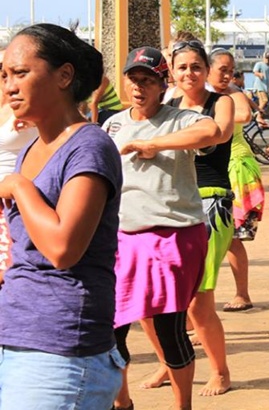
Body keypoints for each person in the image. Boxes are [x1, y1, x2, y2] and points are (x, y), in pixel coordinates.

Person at [0, 24, 124, 408]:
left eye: (21, 73)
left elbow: (62, 248)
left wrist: (18, 186)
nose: (9, 86)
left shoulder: (90, 146)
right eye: (4, 76)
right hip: (18, 335)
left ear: (64, 76)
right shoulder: (33, 148)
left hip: (61, 349)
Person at [105, 46, 219, 410]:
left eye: (147, 80)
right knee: (111, 329)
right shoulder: (113, 124)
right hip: (123, 238)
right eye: (133, 80)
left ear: (162, 84)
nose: (139, 87)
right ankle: (122, 402)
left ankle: (182, 405)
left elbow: (211, 131)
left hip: (173, 235)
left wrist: (153, 144)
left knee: (170, 328)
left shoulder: (181, 118)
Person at [165, 38, 235, 396]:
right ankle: (171, 364)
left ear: (207, 70)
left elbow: (218, 134)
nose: (189, 73)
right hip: (172, 205)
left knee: (198, 300)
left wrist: (156, 142)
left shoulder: (221, 102)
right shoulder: (168, 106)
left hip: (211, 205)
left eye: (196, 66)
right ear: (172, 71)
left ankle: (220, 371)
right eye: (182, 67)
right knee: (164, 300)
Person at [207, 49, 265, 312]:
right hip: (209, 170)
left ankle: (242, 293)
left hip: (236, 167)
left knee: (232, 236)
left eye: (230, 71)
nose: (227, 76)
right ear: (208, 69)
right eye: (223, 70)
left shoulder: (232, 94)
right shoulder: (200, 94)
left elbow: (244, 115)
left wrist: (210, 114)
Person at [0, 48, 38, 283]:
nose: (5, 75)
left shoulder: (29, 103)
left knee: (8, 272)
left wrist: (36, 123)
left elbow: (70, 129)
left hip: (14, 201)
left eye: (13, 70)